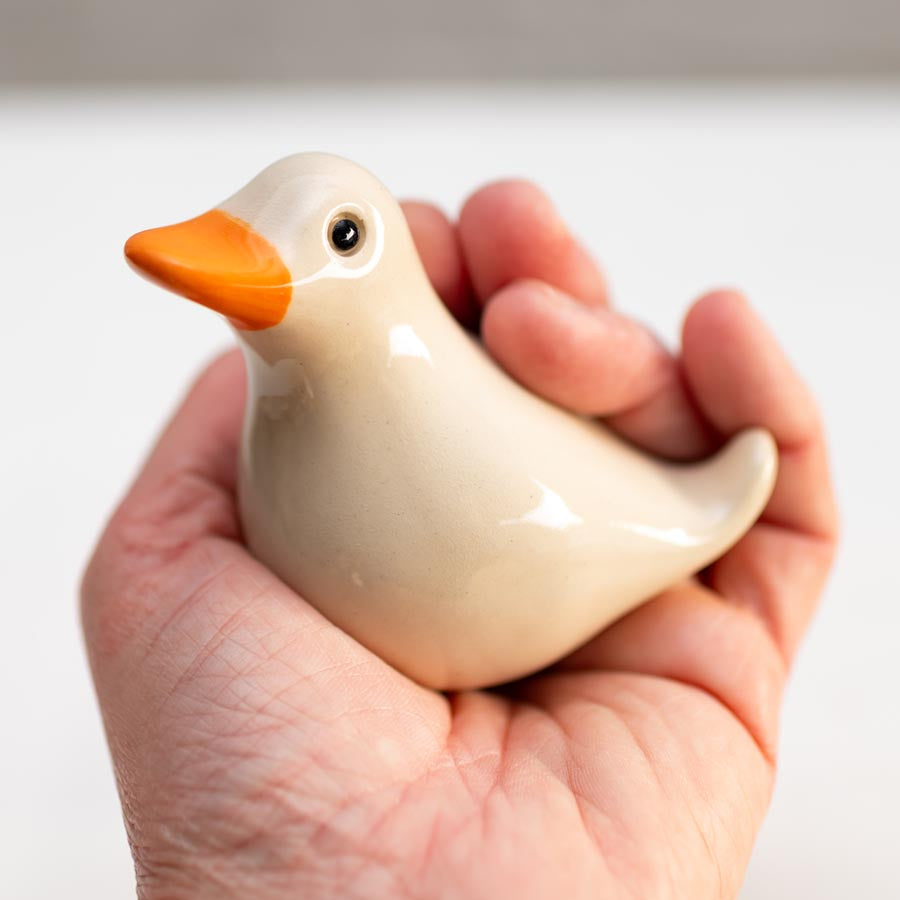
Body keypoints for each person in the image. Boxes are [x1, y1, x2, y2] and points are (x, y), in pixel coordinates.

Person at [82, 180, 837, 899]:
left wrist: (710, 503)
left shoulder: (424, 439)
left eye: (341, 237)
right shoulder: (272, 431)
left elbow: (573, 522)